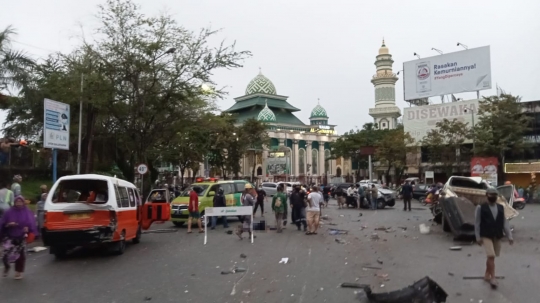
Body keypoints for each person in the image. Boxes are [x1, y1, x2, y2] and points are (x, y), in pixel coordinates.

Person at [474, 188, 514, 289]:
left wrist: (509, 236)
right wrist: (478, 237)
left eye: (494, 195)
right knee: (491, 255)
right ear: (486, 195)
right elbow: (477, 223)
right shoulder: (480, 208)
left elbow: (505, 223)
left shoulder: (501, 208)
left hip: (497, 235)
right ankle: (493, 278)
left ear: (497, 197)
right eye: (491, 195)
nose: (493, 197)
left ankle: (487, 274)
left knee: (492, 256)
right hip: (486, 235)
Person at [0, 195, 37, 280]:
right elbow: (2, 223)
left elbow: (31, 224)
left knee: (20, 255)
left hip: (21, 236)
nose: (19, 203)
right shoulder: (9, 212)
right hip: (10, 236)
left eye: (20, 202)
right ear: (14, 202)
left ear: (23, 202)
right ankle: (7, 266)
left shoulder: (27, 212)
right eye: (17, 202)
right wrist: (9, 224)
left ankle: (18, 272)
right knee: (6, 255)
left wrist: (27, 228)